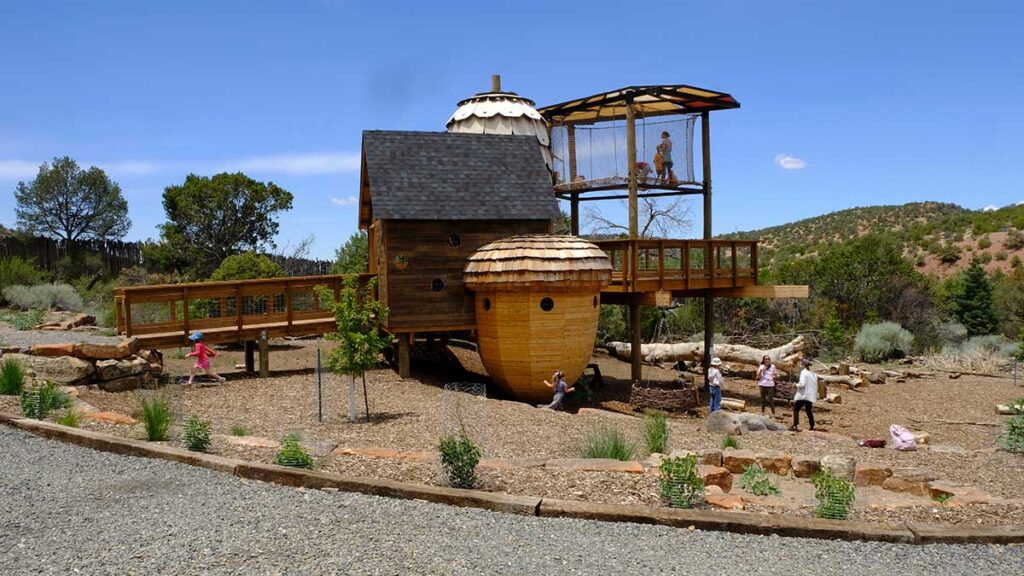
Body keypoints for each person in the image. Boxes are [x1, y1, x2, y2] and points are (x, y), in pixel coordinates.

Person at [791, 358, 818, 431]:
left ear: (803, 365)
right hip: (810, 395)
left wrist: (796, 385)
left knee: (796, 409)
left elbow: (802, 384)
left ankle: (795, 425)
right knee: (809, 410)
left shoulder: (804, 372)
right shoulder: (813, 374)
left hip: (804, 395)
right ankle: (812, 426)